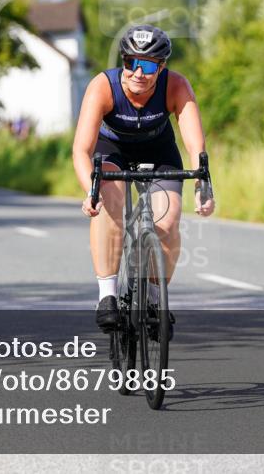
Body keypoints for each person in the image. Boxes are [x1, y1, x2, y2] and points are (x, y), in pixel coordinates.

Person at [72, 25, 215, 334]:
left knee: (168, 219)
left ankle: (153, 299)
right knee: (110, 197)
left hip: (159, 149)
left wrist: (203, 185)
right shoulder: (103, 86)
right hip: (111, 149)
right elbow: (81, 149)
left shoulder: (175, 86)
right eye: (130, 62)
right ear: (122, 61)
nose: (138, 72)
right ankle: (107, 295)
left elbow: (195, 144)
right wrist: (90, 191)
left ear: (161, 67)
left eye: (148, 65)